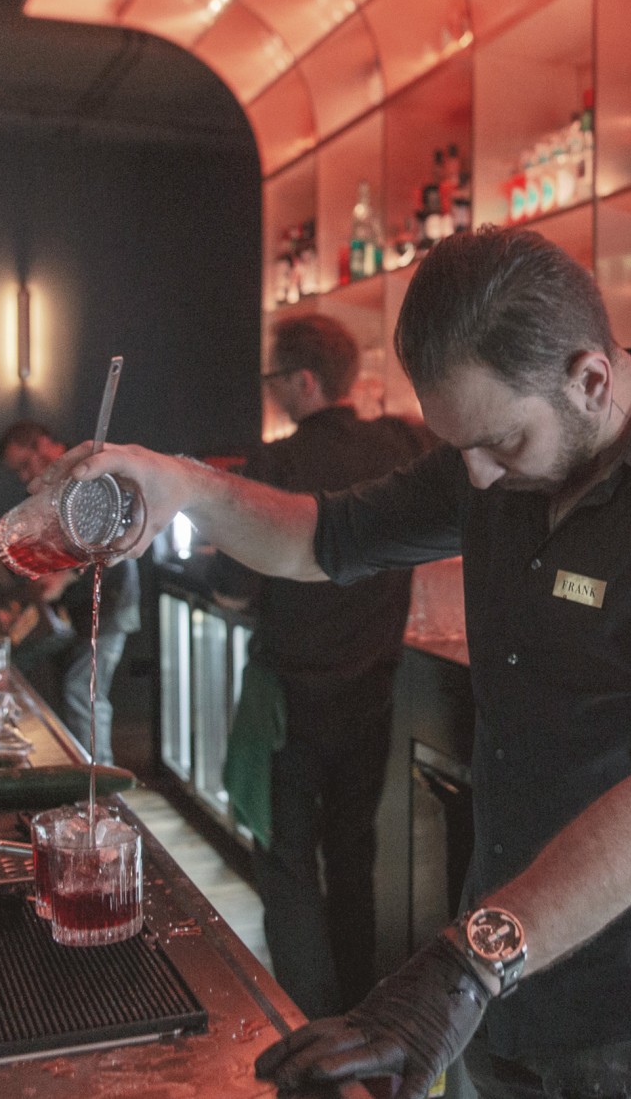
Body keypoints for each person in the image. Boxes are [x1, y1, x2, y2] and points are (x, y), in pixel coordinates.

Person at [35, 227, 631, 1099]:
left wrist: (465, 965)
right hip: (497, 973)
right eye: (462, 447)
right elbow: (319, 537)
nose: (475, 477)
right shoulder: (492, 468)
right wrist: (181, 483)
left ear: (591, 380)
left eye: (501, 442)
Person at [212, 312, 432, 1018]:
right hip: (372, 691)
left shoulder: (275, 464)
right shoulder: (402, 446)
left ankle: (307, 1019)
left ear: (304, 380)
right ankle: (359, 1019)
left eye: (275, 378)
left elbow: (230, 587)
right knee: (352, 854)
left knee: (287, 862)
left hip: (290, 700)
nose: (272, 391)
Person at [0, 420, 141, 764]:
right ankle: (87, 776)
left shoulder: (86, 469)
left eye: (24, 465)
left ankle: (101, 783)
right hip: (82, 606)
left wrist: (64, 576)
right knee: (77, 692)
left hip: (109, 601)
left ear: (41, 444)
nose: (23, 476)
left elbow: (111, 532)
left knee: (83, 692)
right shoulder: (54, 482)